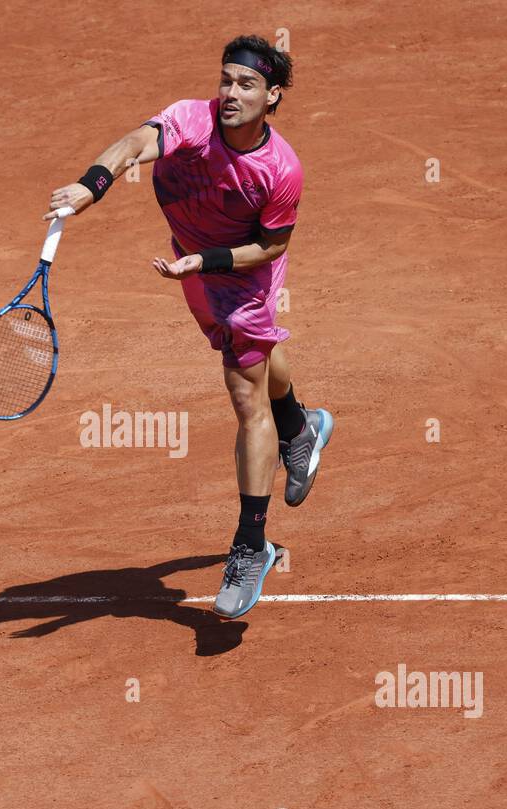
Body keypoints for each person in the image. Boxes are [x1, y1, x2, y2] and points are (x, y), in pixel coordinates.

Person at [43, 34, 333, 619]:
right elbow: (133, 144)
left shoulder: (281, 170)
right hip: (192, 259)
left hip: (242, 274)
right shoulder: (188, 121)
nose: (230, 93)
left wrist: (208, 263)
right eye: (225, 80)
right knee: (249, 360)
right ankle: (300, 426)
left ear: (272, 96)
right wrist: (90, 185)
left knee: (243, 393)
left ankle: (253, 546)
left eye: (246, 84)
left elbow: (270, 245)